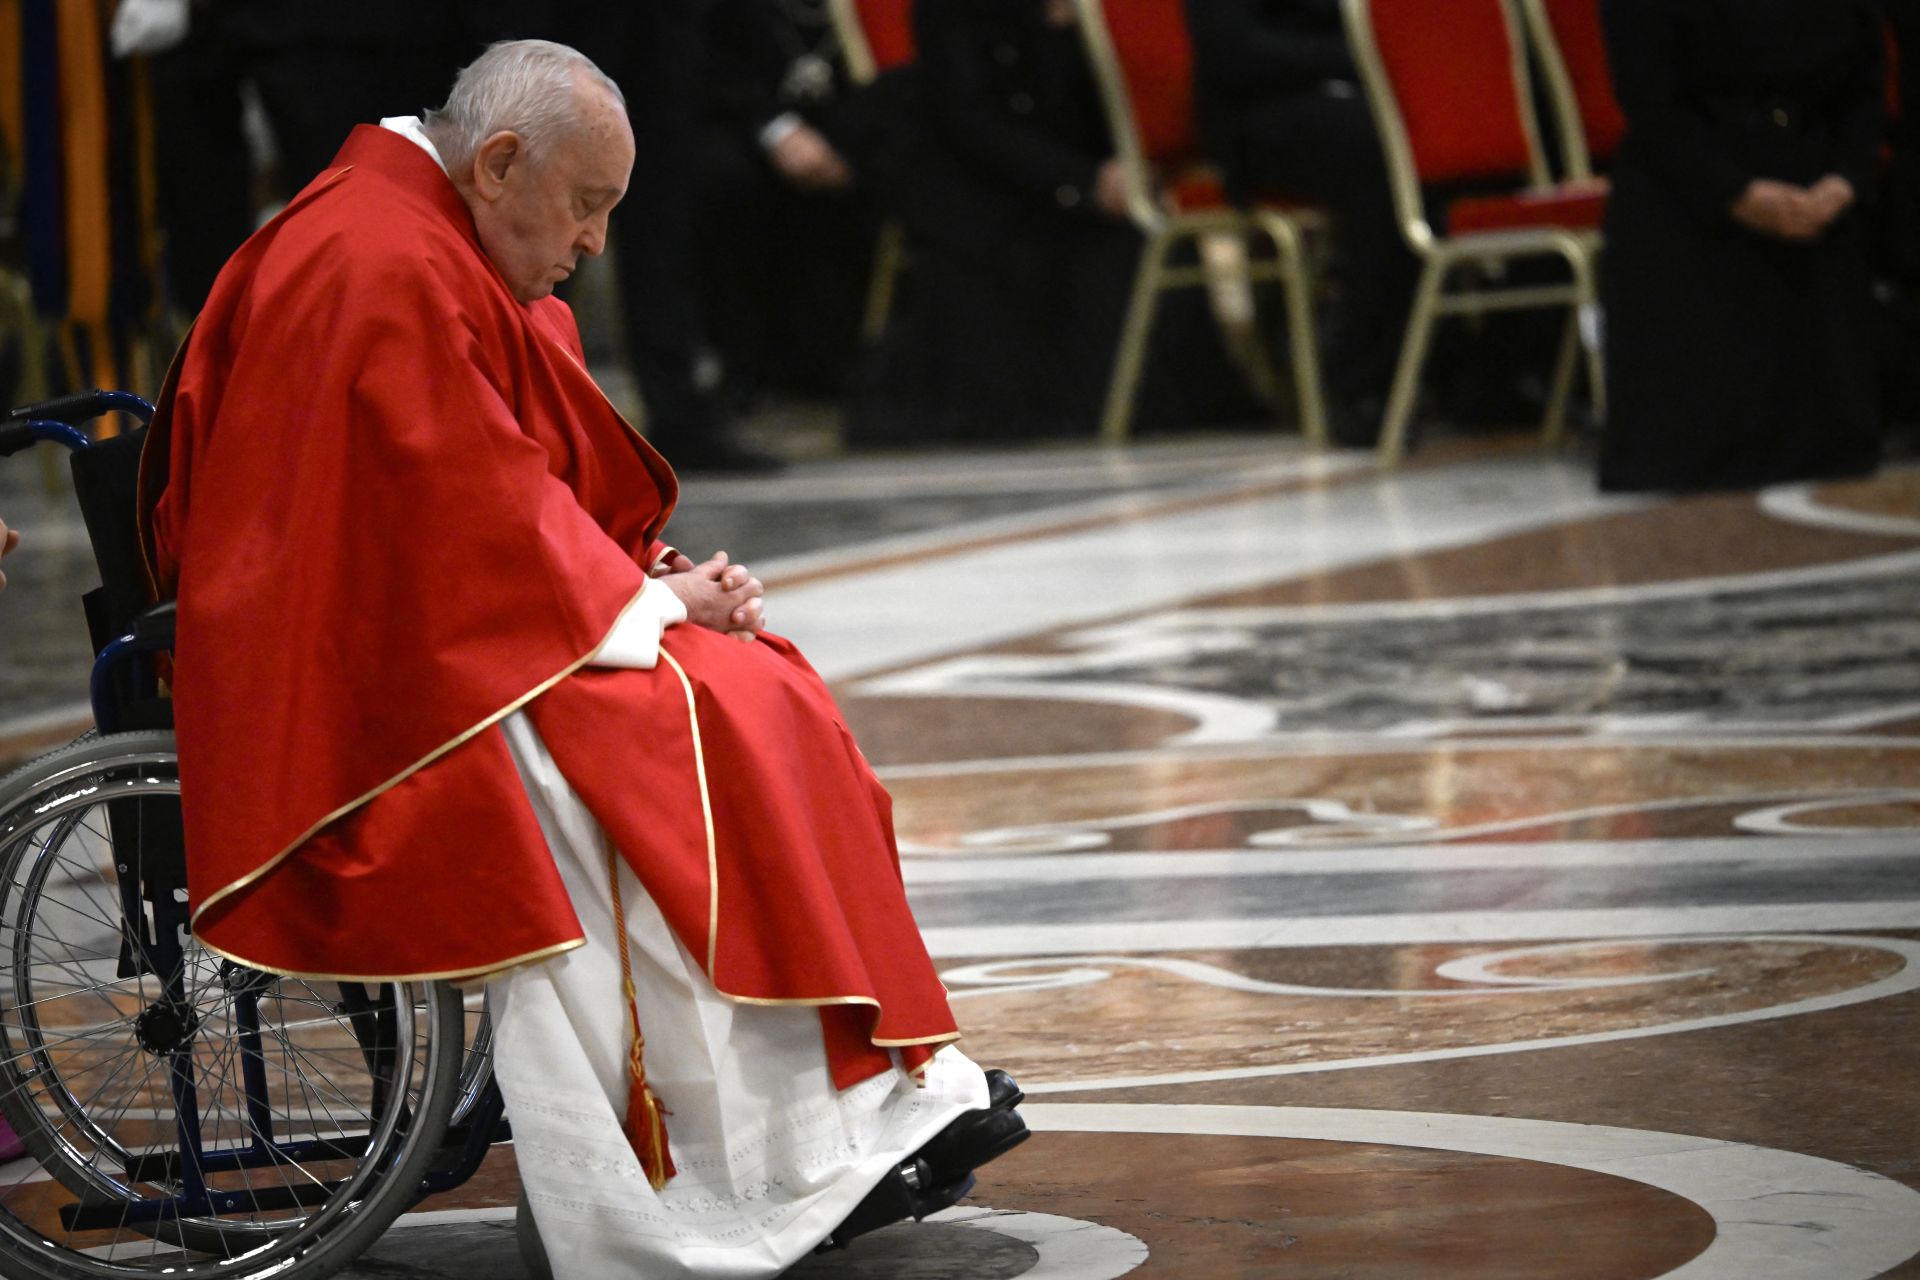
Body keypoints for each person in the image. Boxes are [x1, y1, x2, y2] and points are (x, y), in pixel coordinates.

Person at [136, 40, 1025, 1278]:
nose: (596, 241)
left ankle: (857, 1114)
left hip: (426, 619)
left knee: (759, 692)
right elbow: (457, 512)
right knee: (678, 732)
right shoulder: (374, 258)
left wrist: (644, 586)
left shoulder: (421, 227)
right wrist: (647, 608)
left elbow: (476, 496)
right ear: (498, 162)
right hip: (346, 670)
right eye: (586, 204)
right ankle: (734, 1169)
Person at [1598, 0, 1886, 491]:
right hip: (1690, 189)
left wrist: (1846, 178)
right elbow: (1649, 100)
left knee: (1835, 447)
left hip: (1814, 182)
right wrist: (1735, 194)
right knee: (1695, 449)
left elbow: (1867, 81)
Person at [851, 0, 1140, 441]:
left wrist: (1128, 165)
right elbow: (970, 120)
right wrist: (1079, 181)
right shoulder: (949, 12)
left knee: (1116, 250)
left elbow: (1110, 101)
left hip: (1080, 170)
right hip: (980, 178)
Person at [1185, 0, 1419, 445]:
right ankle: (1357, 378)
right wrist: (1364, 54)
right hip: (1262, 112)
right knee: (1379, 153)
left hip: (1361, 91)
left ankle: (1480, 362)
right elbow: (1236, 52)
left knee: (1443, 131)